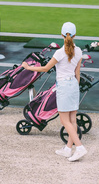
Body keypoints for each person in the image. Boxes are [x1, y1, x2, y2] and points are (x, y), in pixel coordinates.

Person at [22, 22, 87, 162]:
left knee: (65, 120)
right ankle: (68, 149)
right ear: (74, 35)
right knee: (72, 119)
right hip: (74, 85)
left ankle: (80, 147)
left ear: (61, 35)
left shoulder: (60, 52)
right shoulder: (80, 51)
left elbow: (45, 69)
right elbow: (77, 73)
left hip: (63, 86)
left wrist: (28, 68)